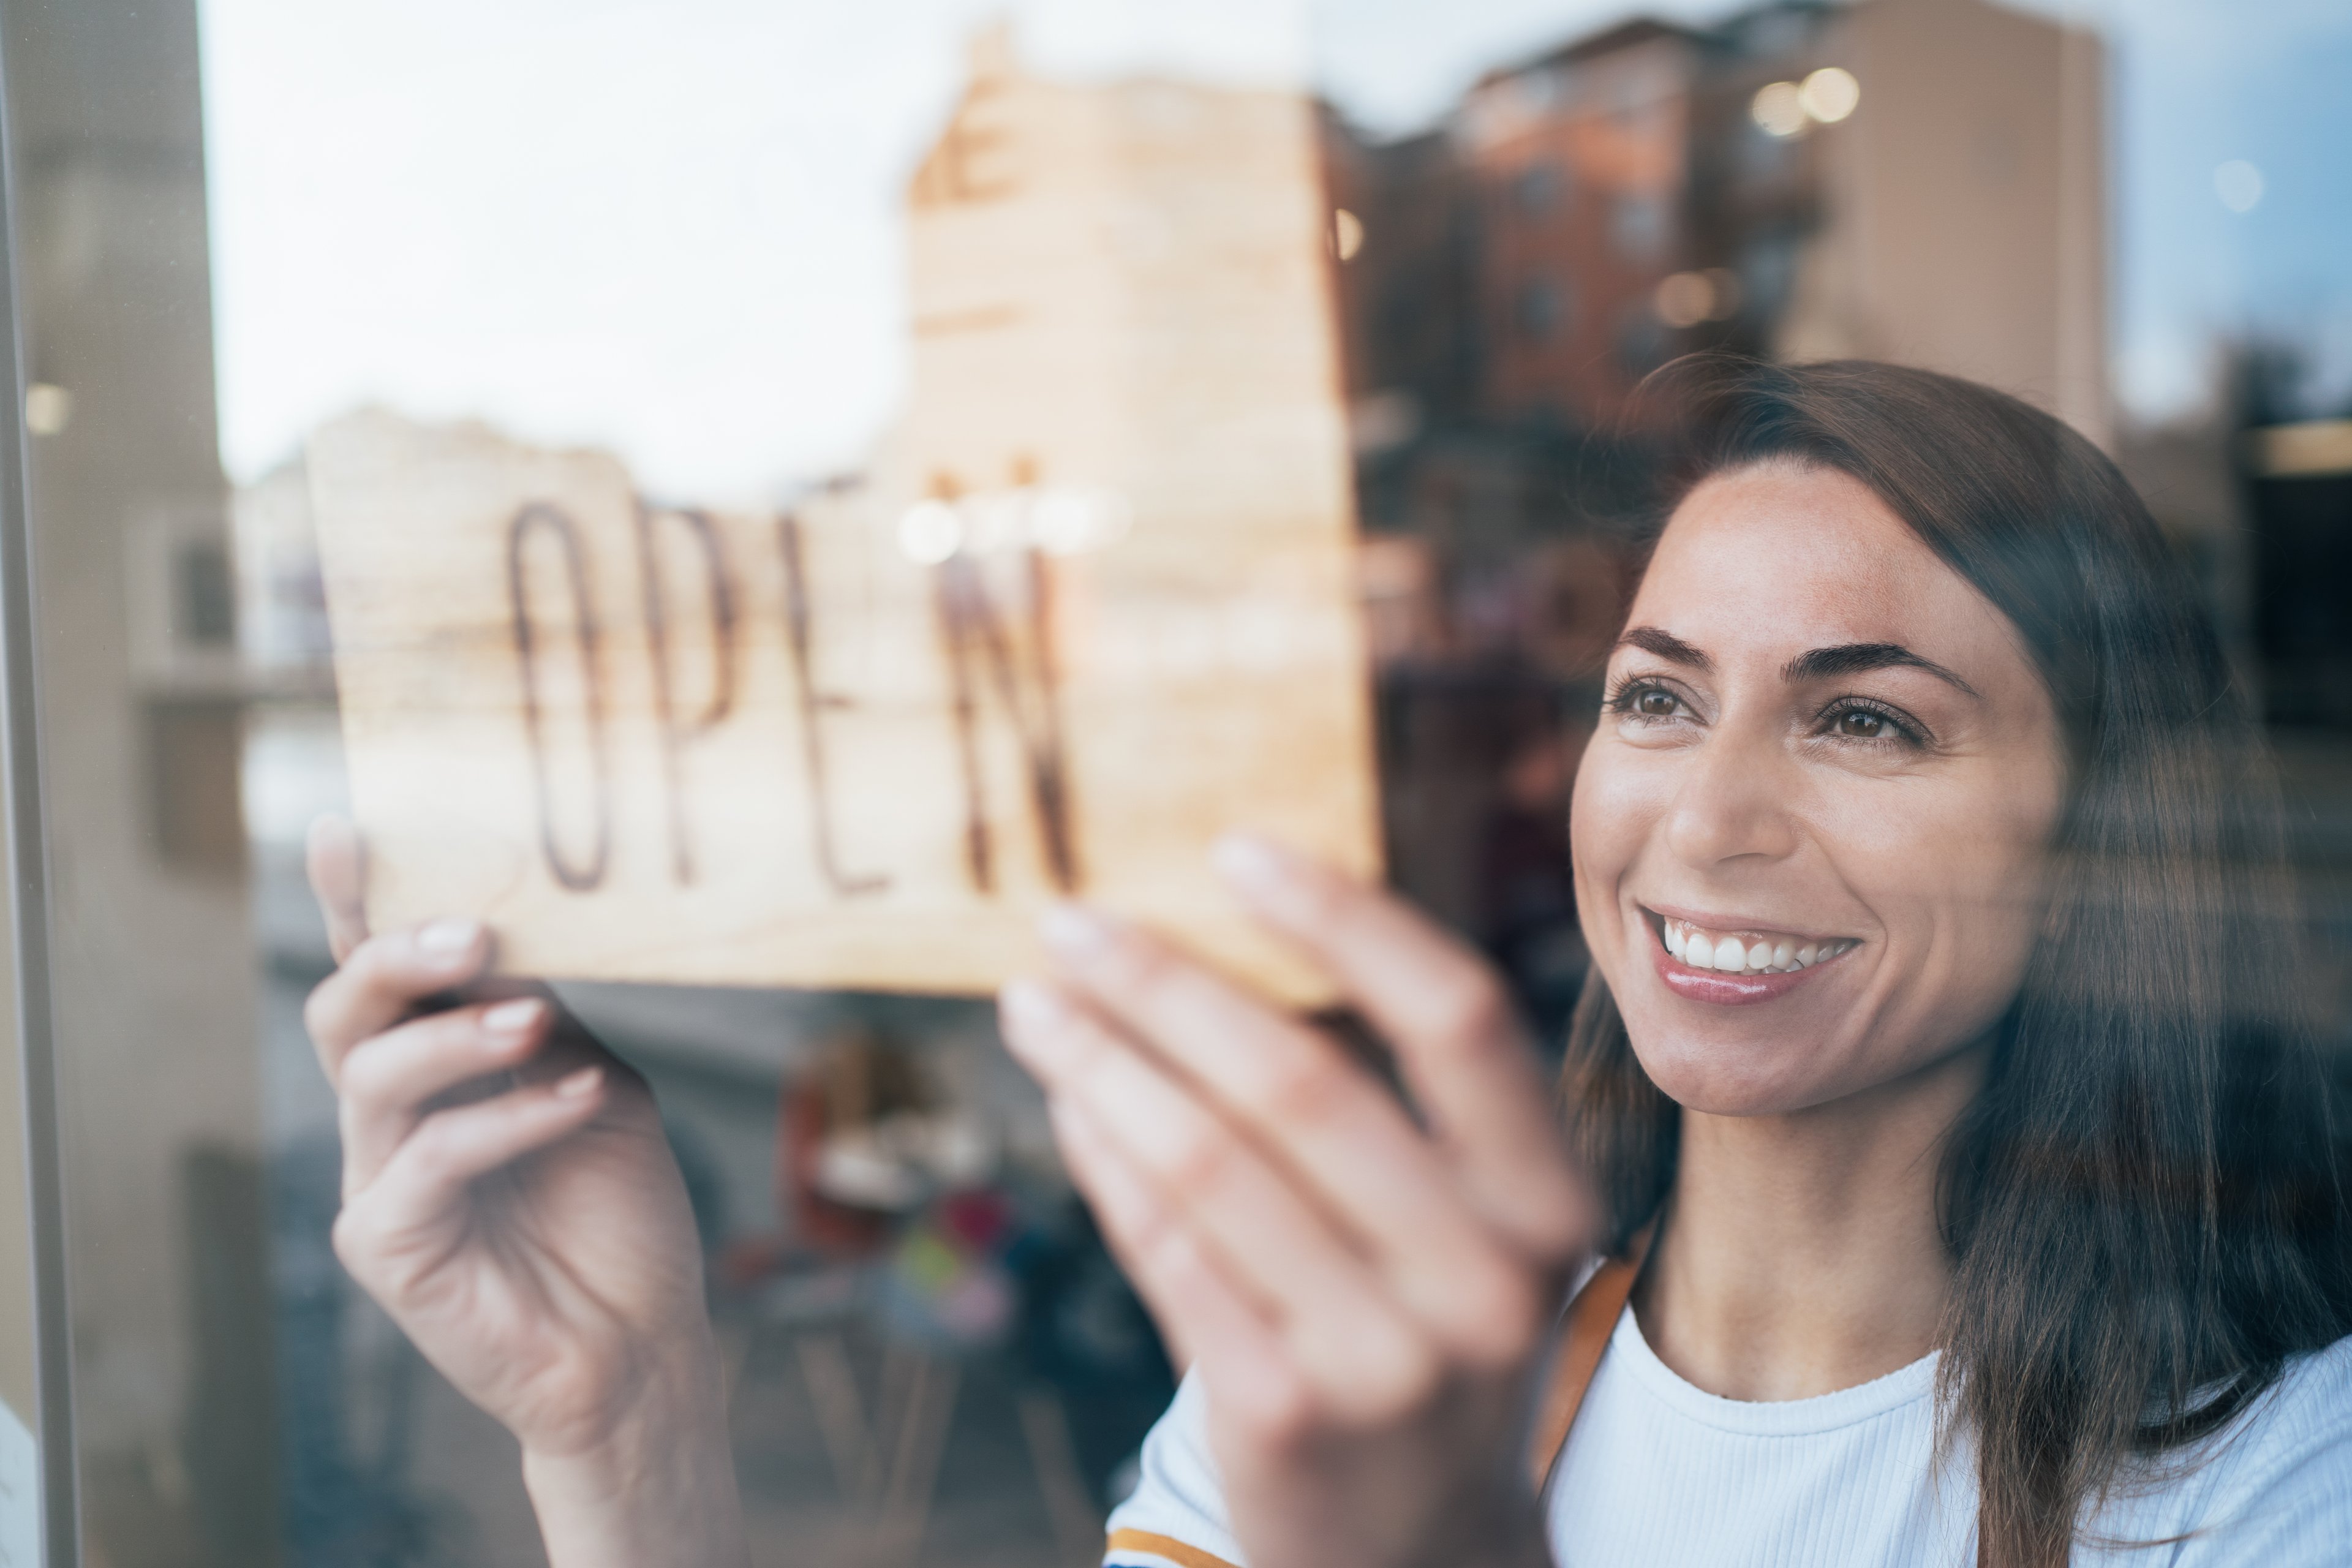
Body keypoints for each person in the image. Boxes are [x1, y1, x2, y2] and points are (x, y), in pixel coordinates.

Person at [300, 359, 2352, 1568]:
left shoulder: (2278, 1487)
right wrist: (632, 1430)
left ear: (2101, 842)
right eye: (1657, 699)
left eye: (1864, 718)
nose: (1706, 824)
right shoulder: (1347, 1391)